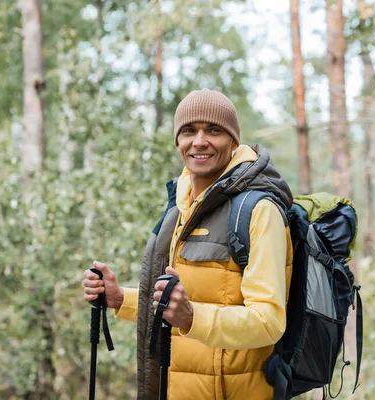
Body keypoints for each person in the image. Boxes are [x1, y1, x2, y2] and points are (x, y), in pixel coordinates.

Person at [83, 89, 294, 400]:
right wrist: (119, 299)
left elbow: (269, 321)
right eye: (188, 131)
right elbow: (177, 304)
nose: (199, 141)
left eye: (214, 130)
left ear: (234, 141)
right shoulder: (182, 207)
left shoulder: (259, 211)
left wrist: (192, 318)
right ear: (178, 142)